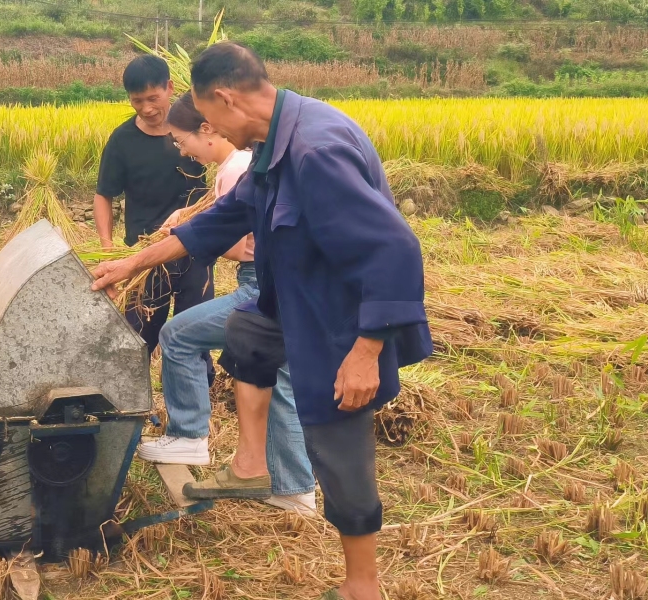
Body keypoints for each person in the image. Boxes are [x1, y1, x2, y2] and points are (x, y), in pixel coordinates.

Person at [91, 43, 433, 600]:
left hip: (339, 320)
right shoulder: (276, 143)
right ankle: (251, 464)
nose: (209, 129)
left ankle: (362, 586)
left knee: (335, 440)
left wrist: (366, 353)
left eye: (207, 118)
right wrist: (131, 263)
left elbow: (395, 252)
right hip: (289, 301)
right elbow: (223, 218)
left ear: (226, 99)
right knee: (248, 331)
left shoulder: (316, 151)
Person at [135, 93, 316, 515]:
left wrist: (190, 241)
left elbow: (244, 245)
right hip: (282, 285)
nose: (182, 151)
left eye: (182, 141)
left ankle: (189, 437)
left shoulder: (236, 168)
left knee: (177, 335)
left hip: (259, 286)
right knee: (279, 381)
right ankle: (294, 487)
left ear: (209, 127)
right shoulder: (242, 165)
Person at [93, 54, 213, 370]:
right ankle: (135, 407)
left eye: (153, 98)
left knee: (195, 336)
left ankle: (194, 403)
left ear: (170, 88)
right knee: (137, 341)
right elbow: (104, 195)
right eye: (137, 101)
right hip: (143, 255)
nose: (147, 108)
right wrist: (108, 250)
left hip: (194, 250)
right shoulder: (122, 140)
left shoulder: (198, 130)